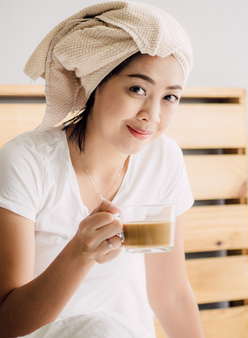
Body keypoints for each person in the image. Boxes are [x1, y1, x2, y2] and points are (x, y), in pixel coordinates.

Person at [0, 2, 204, 337]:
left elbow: (171, 295)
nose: (152, 115)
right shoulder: (27, 162)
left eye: (170, 97)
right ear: (97, 84)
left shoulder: (162, 161)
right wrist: (79, 253)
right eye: (137, 89)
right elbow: (7, 325)